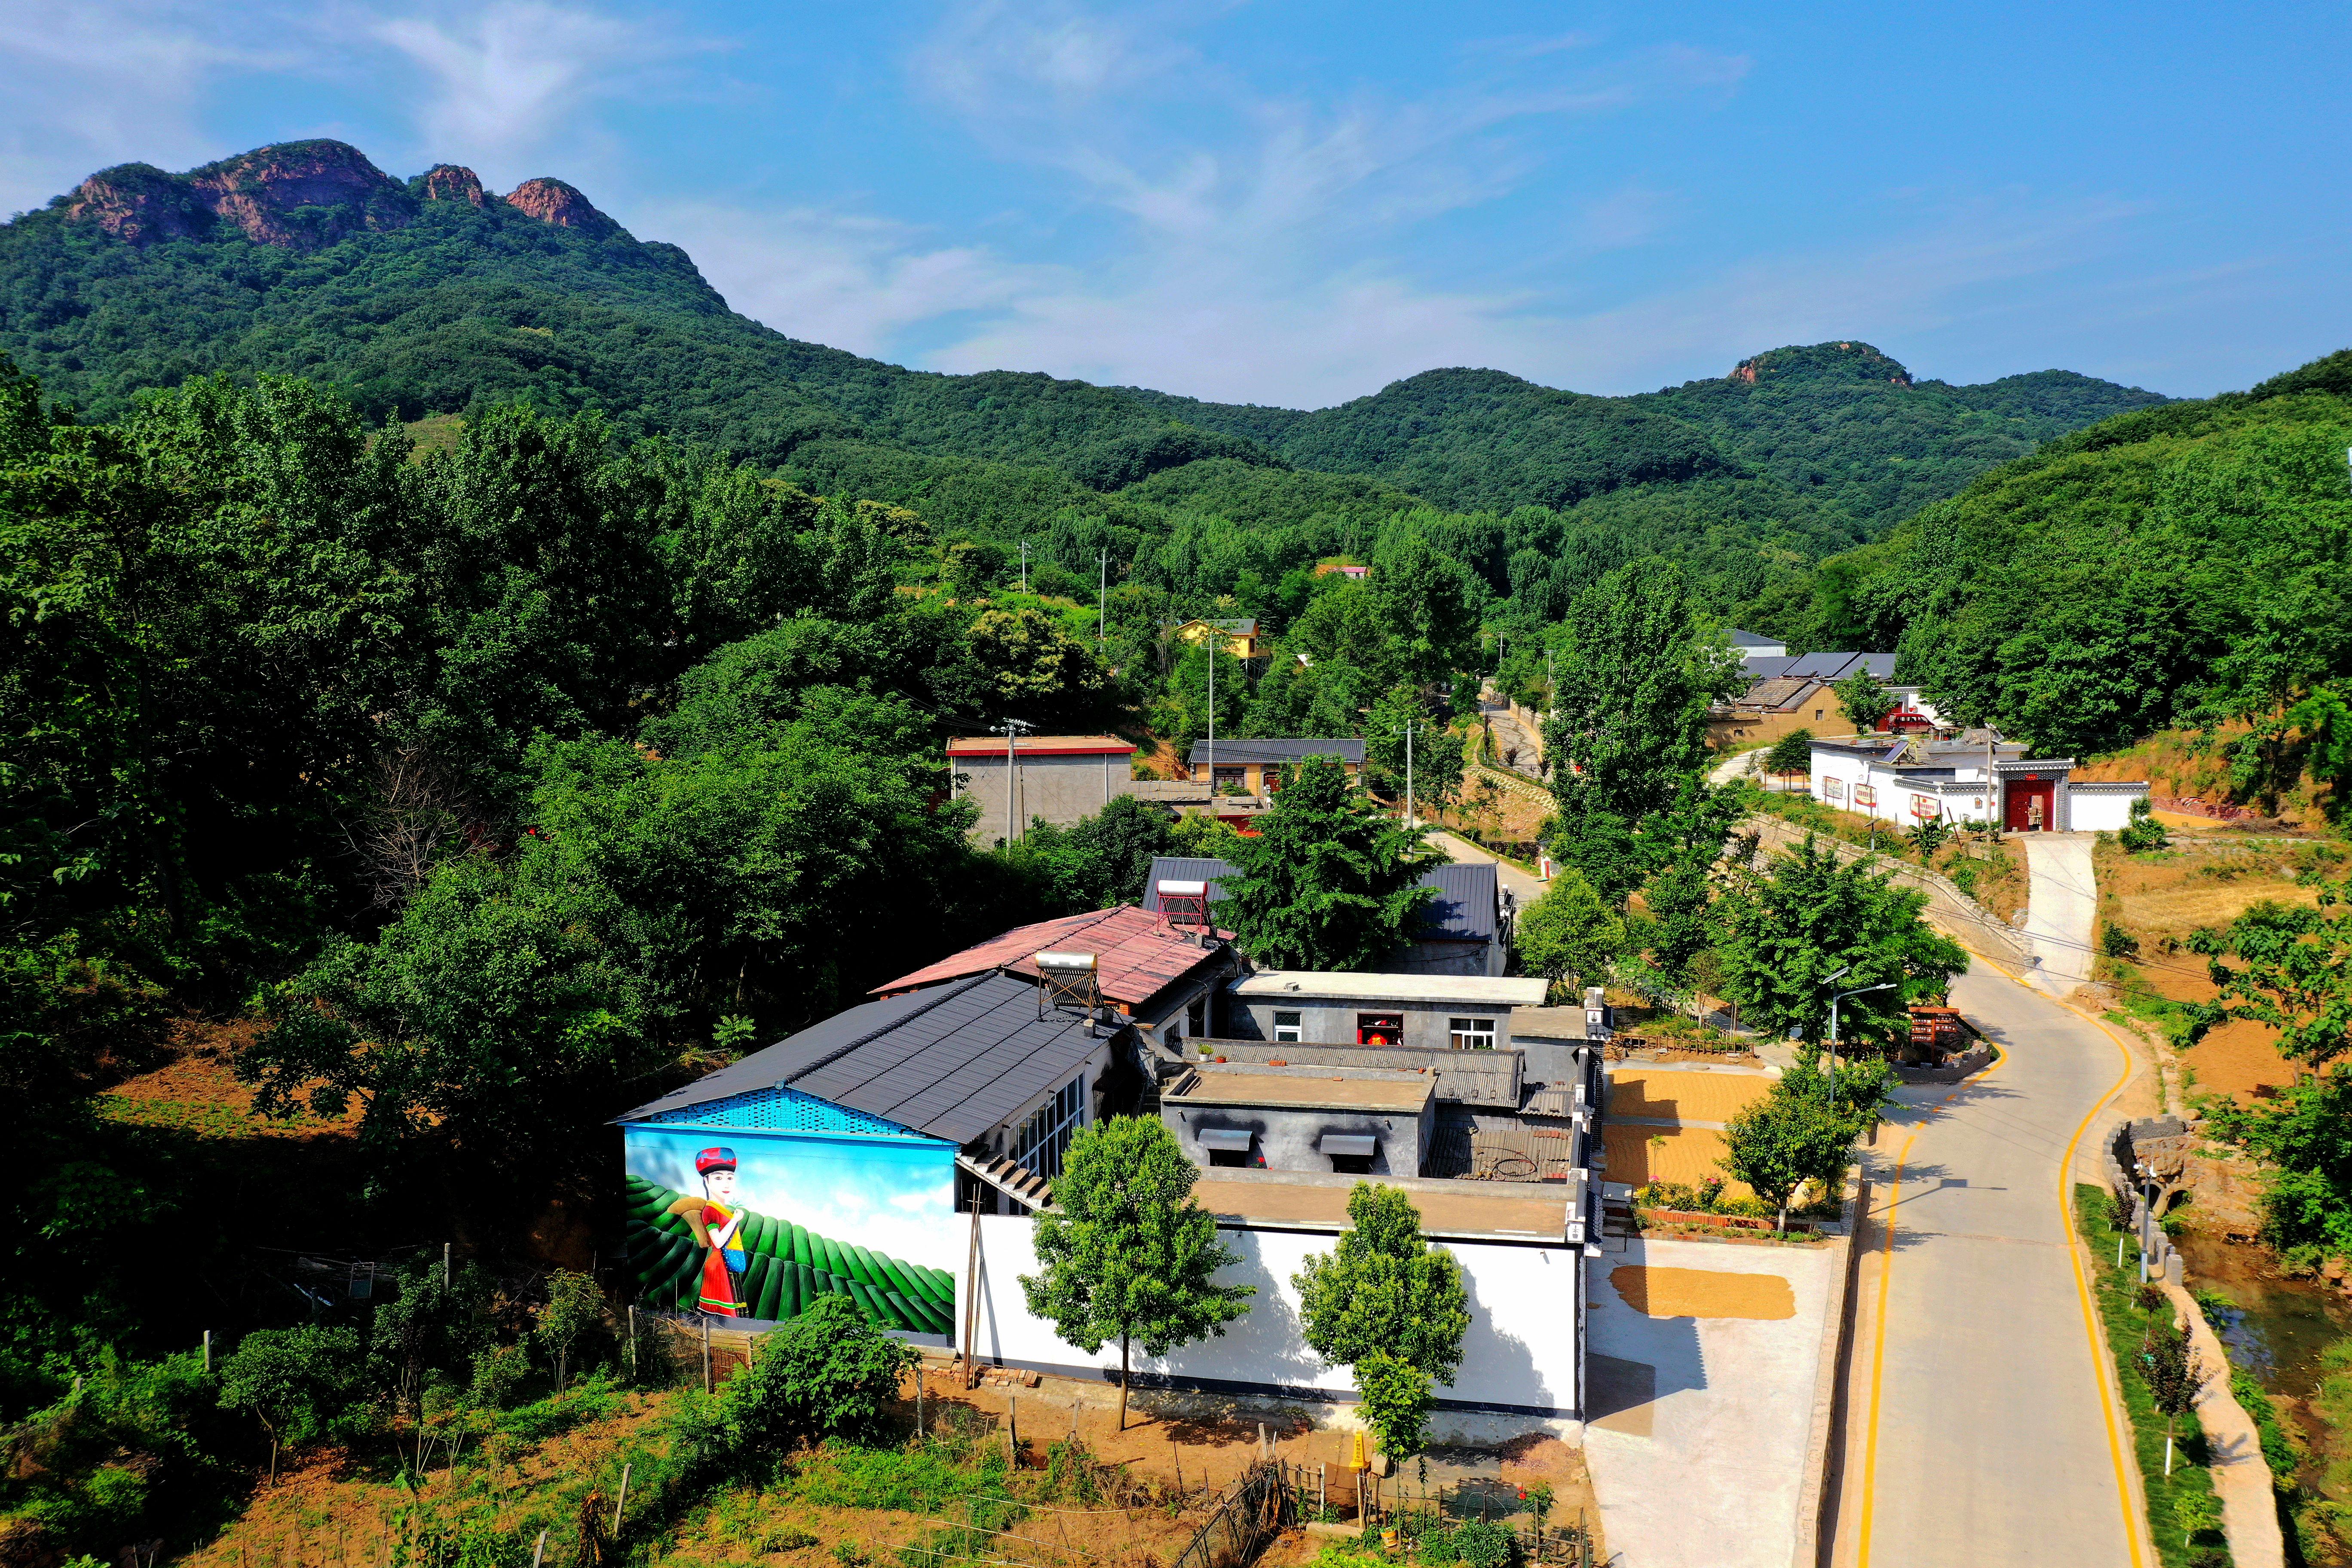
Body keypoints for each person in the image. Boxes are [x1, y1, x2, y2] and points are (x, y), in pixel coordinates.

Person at [667, 1147, 748, 1315]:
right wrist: (734, 1220)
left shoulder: (723, 1209)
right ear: (707, 1181)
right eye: (718, 1178)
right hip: (719, 1266)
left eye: (730, 1178)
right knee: (726, 1318)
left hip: (729, 1265)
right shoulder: (711, 1211)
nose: (726, 1183)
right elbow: (718, 1242)